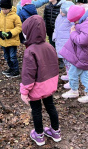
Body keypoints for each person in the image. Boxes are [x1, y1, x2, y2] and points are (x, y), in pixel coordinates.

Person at [20, 15, 61, 146]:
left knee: (36, 110)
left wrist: (24, 92)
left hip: (36, 88)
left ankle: (39, 135)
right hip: (49, 86)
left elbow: (28, 75)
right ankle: (56, 131)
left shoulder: (30, 52)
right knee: (50, 106)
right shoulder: (50, 46)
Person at [60, 5, 88, 103]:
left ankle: (74, 90)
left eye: (75, 21)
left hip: (83, 54)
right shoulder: (87, 22)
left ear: (80, 17)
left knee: (72, 73)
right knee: (84, 74)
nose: (75, 24)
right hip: (82, 54)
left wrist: (73, 33)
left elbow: (82, 41)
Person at [0, 0, 22, 78]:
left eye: (5, 9)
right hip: (3, 41)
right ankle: (11, 68)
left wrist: (10, 33)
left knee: (12, 56)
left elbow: (19, 27)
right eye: (2, 9)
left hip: (12, 41)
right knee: (6, 56)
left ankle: (16, 70)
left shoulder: (15, 16)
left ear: (9, 8)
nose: (3, 11)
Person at [52, 1, 75, 84]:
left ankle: (72, 79)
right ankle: (69, 74)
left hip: (66, 42)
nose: (61, 13)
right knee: (65, 60)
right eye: (61, 11)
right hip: (59, 41)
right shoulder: (59, 17)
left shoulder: (71, 19)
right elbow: (56, 27)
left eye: (63, 12)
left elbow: (74, 29)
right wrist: (54, 36)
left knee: (69, 61)